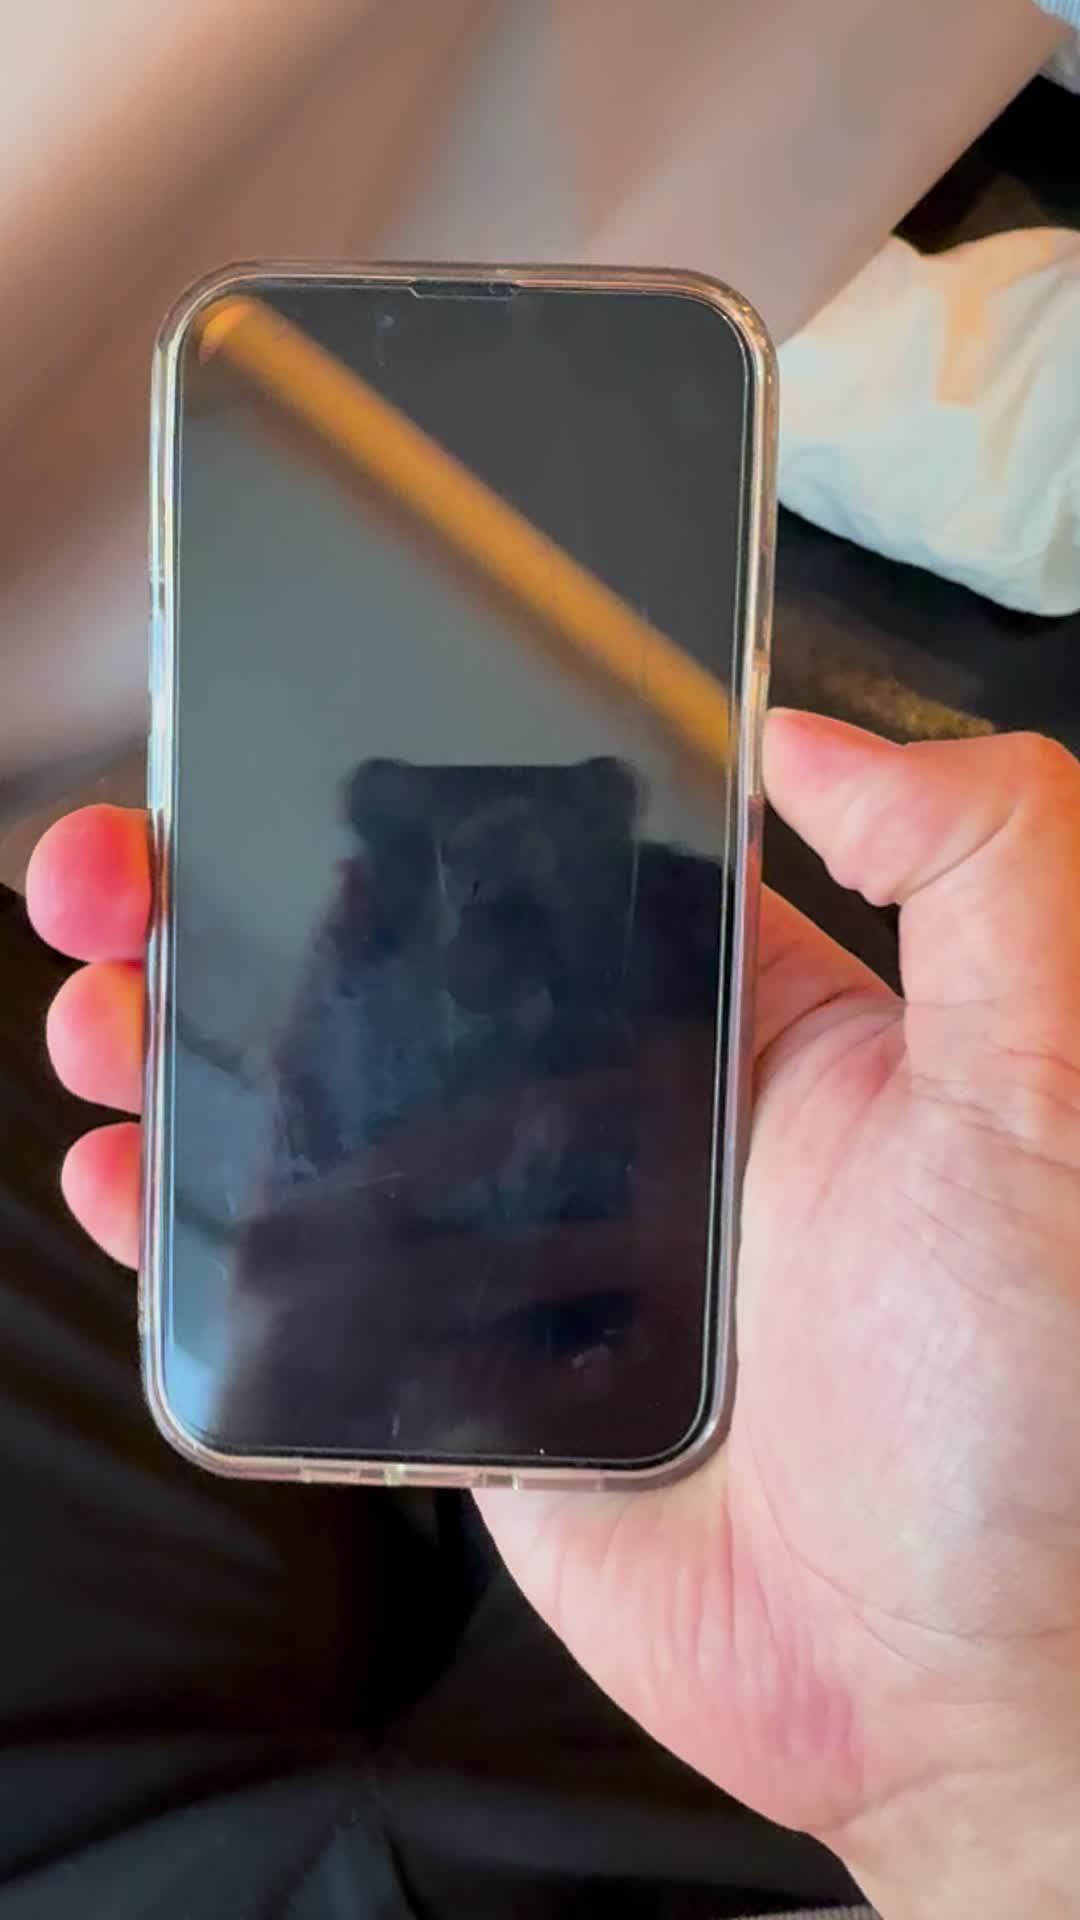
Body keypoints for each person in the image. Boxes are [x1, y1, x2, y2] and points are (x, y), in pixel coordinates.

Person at [21, 708, 1080, 1919]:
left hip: (662, 1522)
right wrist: (1005, 1774)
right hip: (608, 1572)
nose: (483, 928)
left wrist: (1002, 1766)